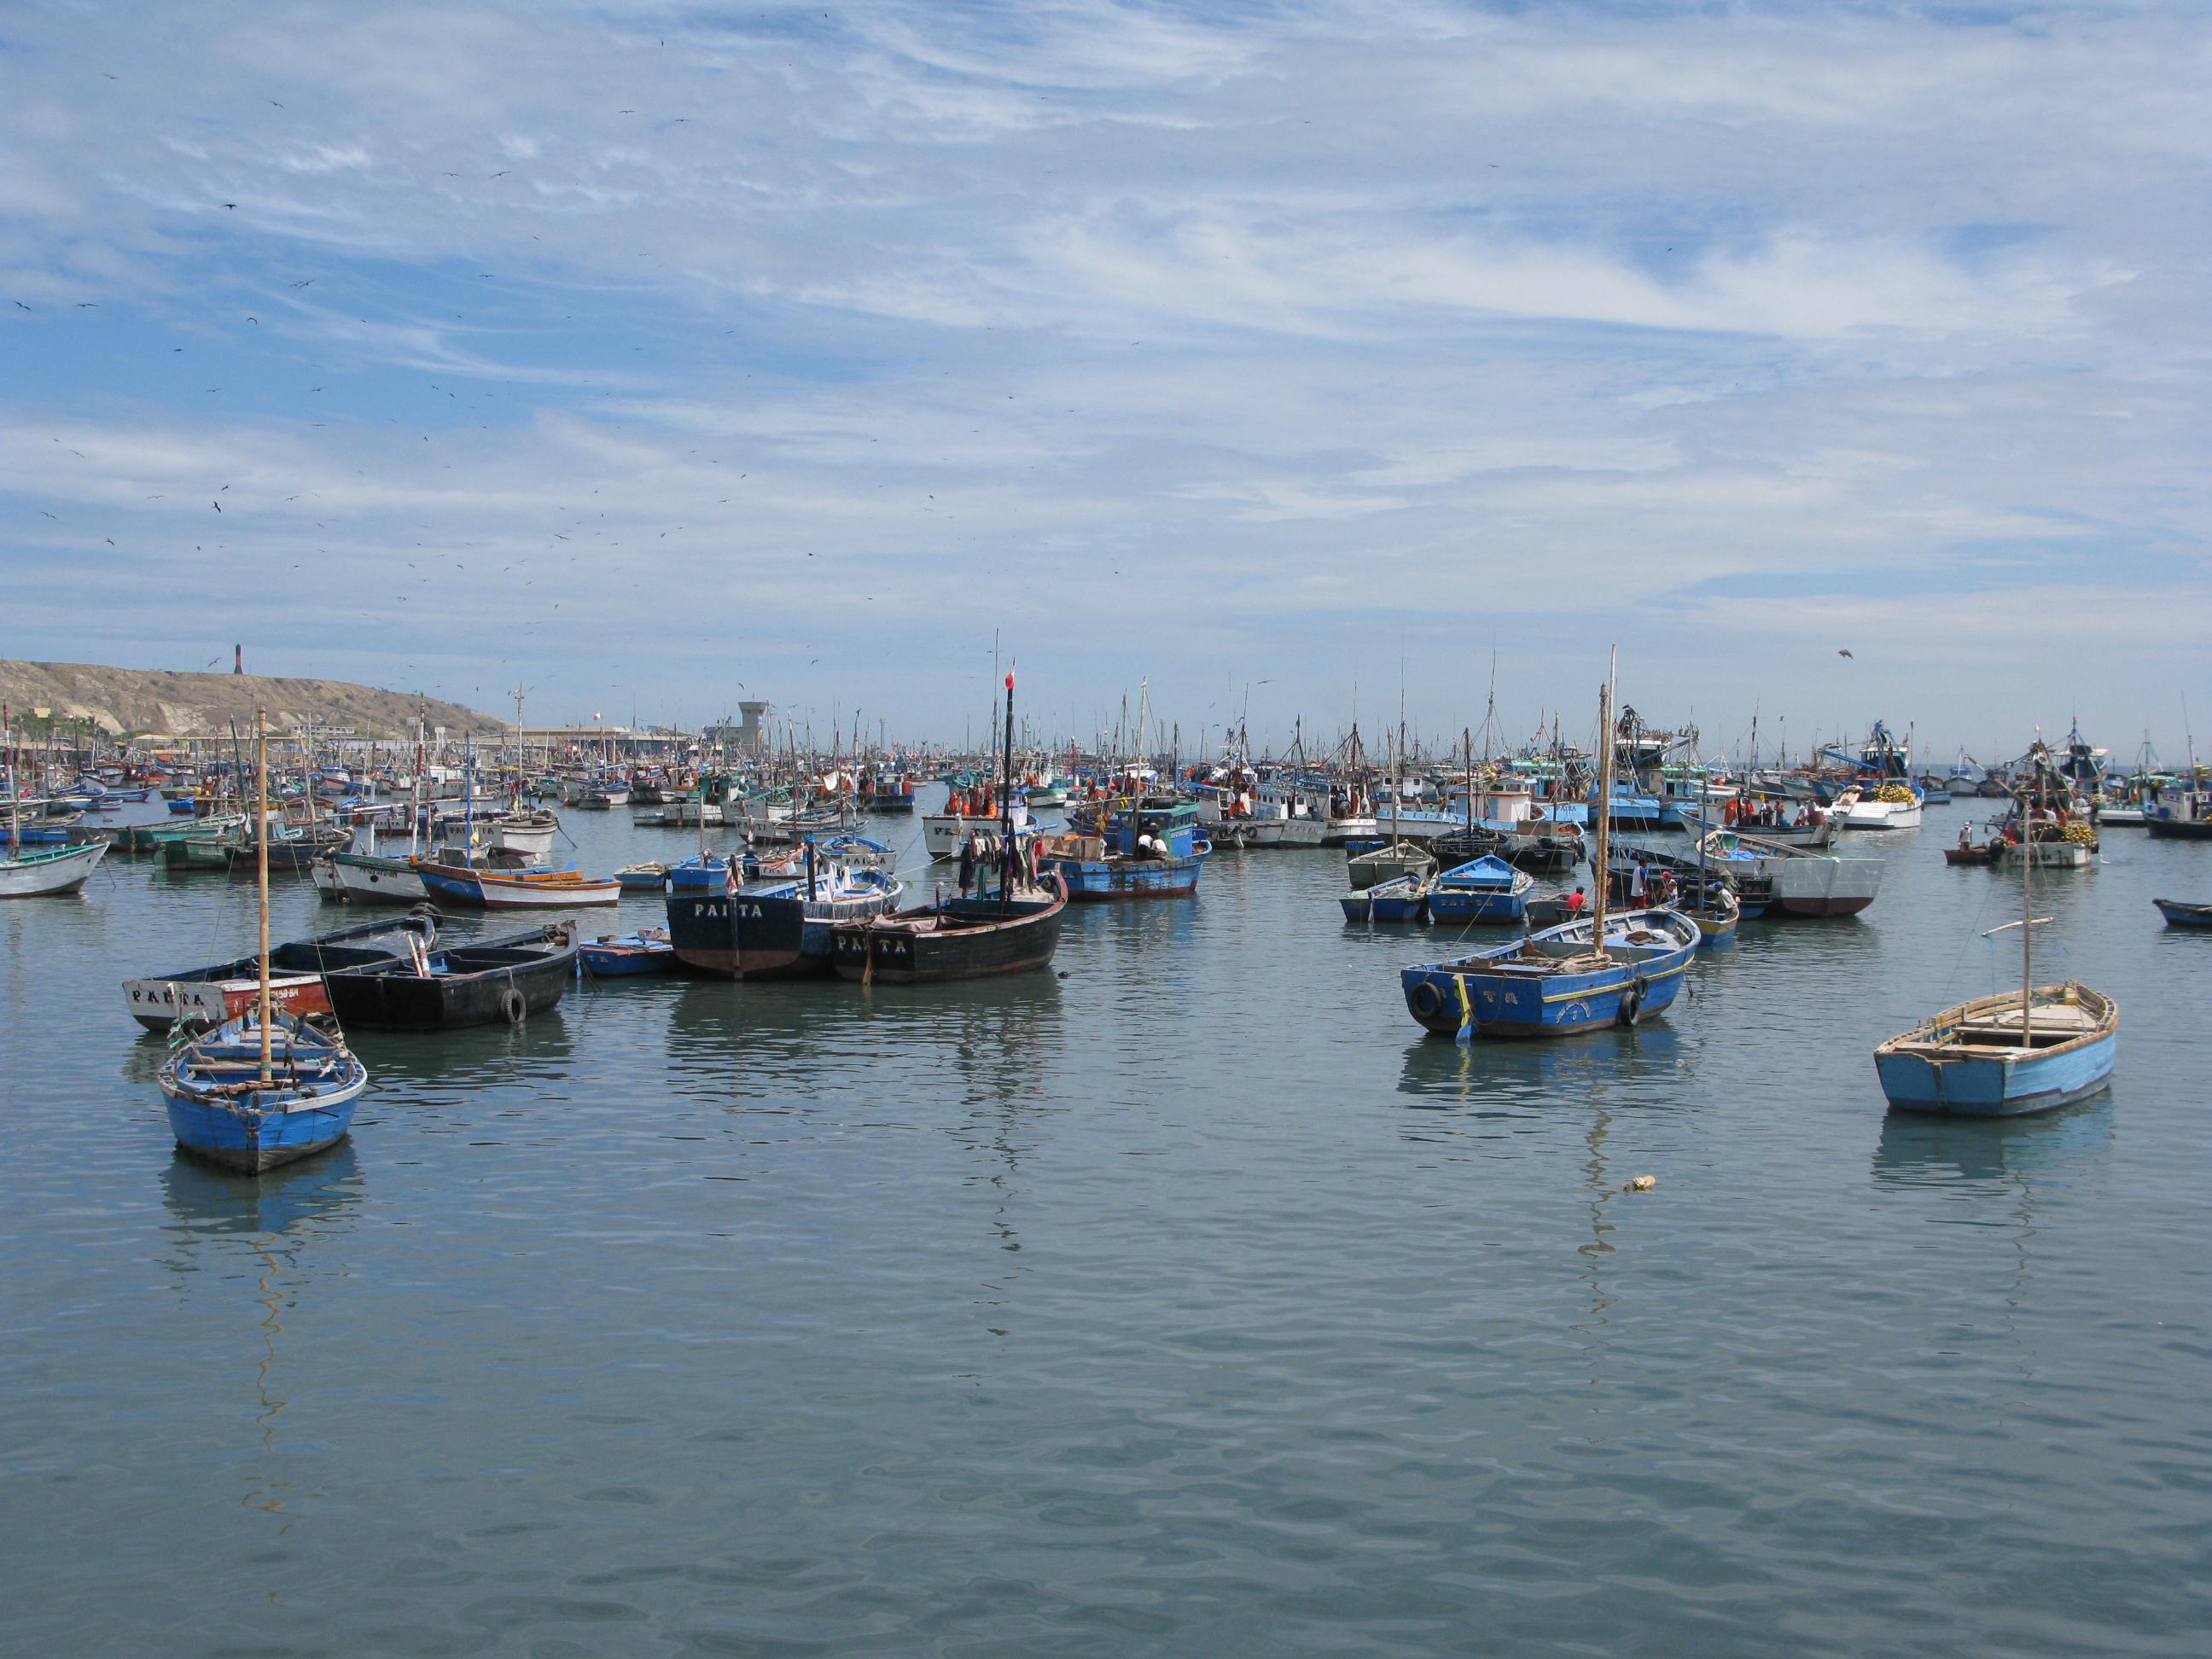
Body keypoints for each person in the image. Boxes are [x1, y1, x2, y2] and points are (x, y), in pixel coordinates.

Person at [957, 833, 978, 897]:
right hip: (968, 868)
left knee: (964, 885)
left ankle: (964, 895)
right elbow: (970, 859)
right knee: (967, 884)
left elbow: (962, 857)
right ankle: (965, 896)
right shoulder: (969, 849)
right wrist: (972, 864)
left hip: (964, 867)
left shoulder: (967, 848)